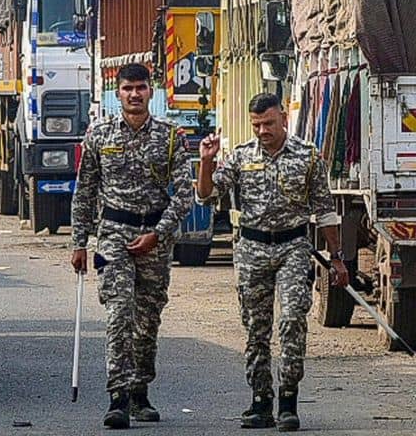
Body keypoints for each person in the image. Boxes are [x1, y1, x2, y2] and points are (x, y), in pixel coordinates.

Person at [197, 92, 347, 432]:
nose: (263, 131)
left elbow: (325, 212)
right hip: (252, 249)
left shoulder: (308, 156)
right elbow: (206, 195)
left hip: (293, 246)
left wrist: (337, 258)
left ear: (283, 118)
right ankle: (260, 400)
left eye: (268, 123)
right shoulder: (240, 157)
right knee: (256, 328)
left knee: (293, 319)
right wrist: (206, 162)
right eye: (256, 125)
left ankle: (288, 399)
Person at [70, 63, 194, 430]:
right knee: (119, 314)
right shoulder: (100, 135)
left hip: (154, 238)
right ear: (118, 92)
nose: (134, 94)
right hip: (113, 235)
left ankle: (140, 390)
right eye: (128, 89)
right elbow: (85, 191)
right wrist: (79, 242)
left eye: (140, 88)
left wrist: (159, 233)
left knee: (147, 320)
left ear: (150, 91)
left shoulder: (170, 137)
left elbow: (184, 195)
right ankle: (118, 396)